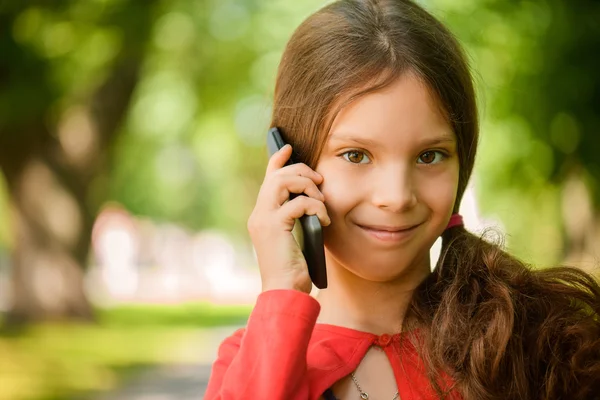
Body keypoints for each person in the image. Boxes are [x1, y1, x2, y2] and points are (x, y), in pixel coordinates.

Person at [204, 0, 600, 399]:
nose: (396, 197)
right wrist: (282, 291)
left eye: (429, 156)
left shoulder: (530, 345)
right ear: (290, 166)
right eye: (356, 155)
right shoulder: (247, 364)